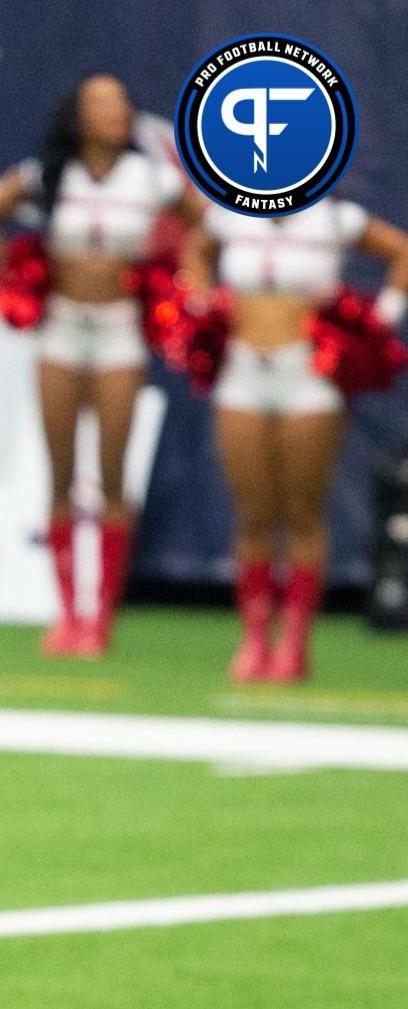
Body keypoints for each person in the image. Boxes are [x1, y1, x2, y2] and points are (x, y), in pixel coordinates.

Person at [0, 74, 203, 657]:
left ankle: (101, 617)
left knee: (114, 473)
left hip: (120, 330)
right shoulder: (48, 174)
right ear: (77, 115)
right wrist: (12, 270)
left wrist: (189, 279)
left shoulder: (148, 176)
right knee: (61, 469)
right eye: (101, 105)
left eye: (122, 104)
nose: (115, 115)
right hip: (61, 329)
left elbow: (203, 220)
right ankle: (69, 614)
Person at [181, 200, 408, 682]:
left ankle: (294, 644)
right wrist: (200, 303)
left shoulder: (334, 218)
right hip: (242, 371)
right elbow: (194, 251)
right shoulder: (230, 217)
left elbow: (401, 252)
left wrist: (380, 320)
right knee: (253, 511)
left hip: (307, 373)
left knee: (303, 508)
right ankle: (254, 640)